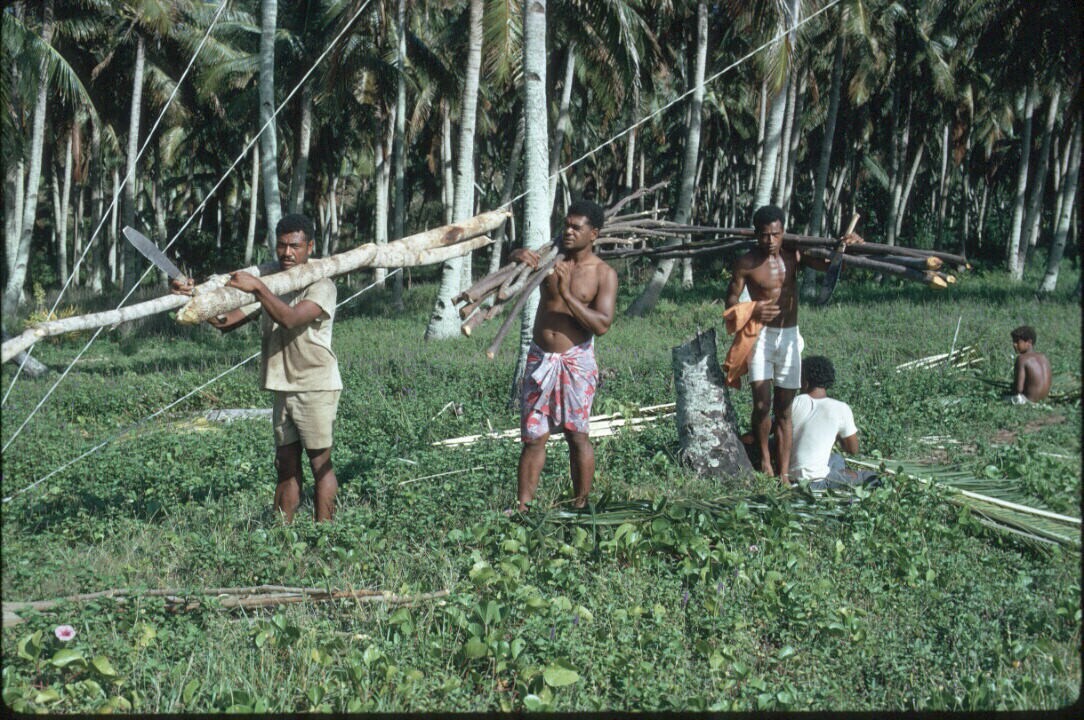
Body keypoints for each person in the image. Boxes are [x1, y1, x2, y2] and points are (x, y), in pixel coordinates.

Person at [172, 214, 342, 522]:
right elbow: (226, 322)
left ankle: (325, 536)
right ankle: (280, 535)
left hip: (315, 385)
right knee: (285, 465)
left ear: (310, 247)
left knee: (320, 465)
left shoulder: (322, 284)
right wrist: (195, 298)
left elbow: (290, 319)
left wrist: (259, 289)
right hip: (282, 386)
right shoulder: (272, 282)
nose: (287, 253)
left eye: (295, 246)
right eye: (281, 245)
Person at [724, 205, 862, 484]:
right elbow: (730, 301)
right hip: (761, 336)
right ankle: (765, 460)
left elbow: (832, 267)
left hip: (788, 336)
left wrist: (851, 248)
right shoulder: (746, 263)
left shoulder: (794, 254)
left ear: (783, 232)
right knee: (761, 404)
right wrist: (753, 309)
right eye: (765, 235)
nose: (770, 241)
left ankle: (784, 473)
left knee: (784, 410)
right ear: (756, 234)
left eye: (776, 234)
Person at [509, 200, 618, 512]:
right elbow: (514, 266)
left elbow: (602, 325)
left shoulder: (603, 274)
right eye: (566, 225)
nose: (568, 232)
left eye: (576, 227)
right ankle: (523, 508)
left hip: (576, 362)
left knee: (576, 435)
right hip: (540, 358)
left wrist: (567, 294)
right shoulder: (549, 260)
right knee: (533, 437)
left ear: (593, 234)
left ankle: (580, 505)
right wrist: (517, 255)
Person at [788, 355, 876, 489]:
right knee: (871, 477)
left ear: (805, 381)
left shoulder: (795, 402)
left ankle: (837, 475)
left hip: (790, 476)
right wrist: (838, 436)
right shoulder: (840, 408)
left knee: (836, 458)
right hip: (815, 481)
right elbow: (853, 449)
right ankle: (837, 480)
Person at [1009, 325, 1051, 404]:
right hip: (1043, 402)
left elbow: (1019, 389)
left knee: (1001, 397)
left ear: (1029, 342)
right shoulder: (1044, 358)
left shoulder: (1022, 359)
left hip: (1028, 401)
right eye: (1013, 342)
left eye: (1017, 341)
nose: (1014, 344)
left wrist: (1012, 388)